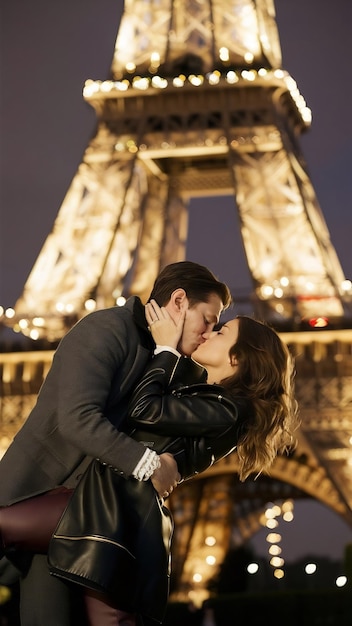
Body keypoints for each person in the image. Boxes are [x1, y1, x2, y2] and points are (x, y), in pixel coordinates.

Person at [0, 302, 299, 625]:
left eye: (221, 330)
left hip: (107, 513)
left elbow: (144, 410)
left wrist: (167, 348)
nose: (210, 332)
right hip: (109, 514)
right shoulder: (206, 397)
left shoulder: (228, 410)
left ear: (236, 358)